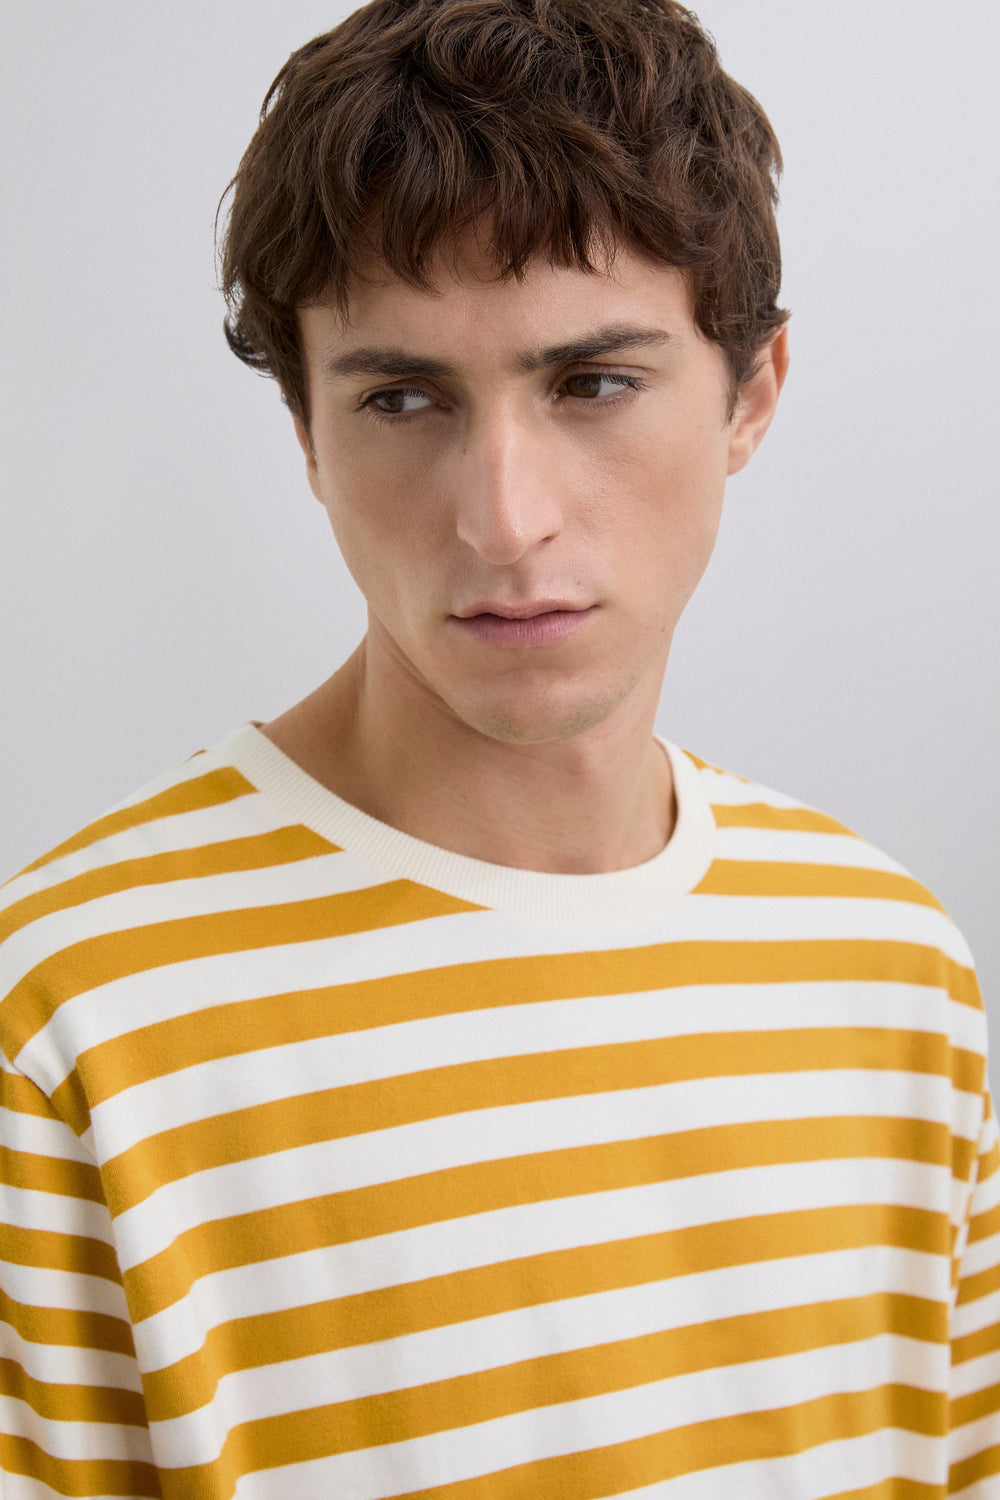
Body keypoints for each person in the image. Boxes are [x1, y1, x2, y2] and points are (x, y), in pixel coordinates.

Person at [1, 0, 997, 1494]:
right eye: (403, 398)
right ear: (307, 434)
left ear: (752, 395)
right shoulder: (72, 1019)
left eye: (592, 383)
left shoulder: (893, 969)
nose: (504, 518)